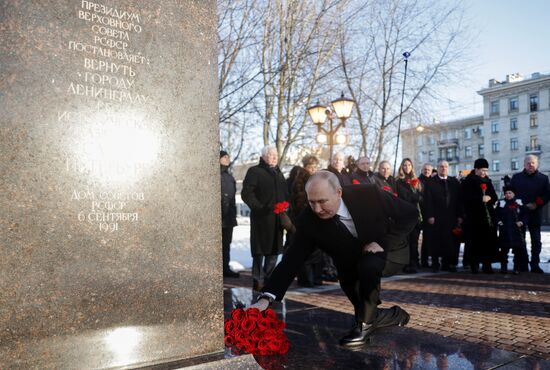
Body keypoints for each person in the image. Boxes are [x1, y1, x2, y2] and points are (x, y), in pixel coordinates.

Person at [252, 171, 417, 346]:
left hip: (389, 250)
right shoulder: (309, 220)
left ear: (338, 192)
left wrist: (383, 243)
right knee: (363, 308)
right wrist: (266, 298)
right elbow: (292, 259)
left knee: (369, 266)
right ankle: (393, 315)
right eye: (312, 202)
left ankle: (364, 328)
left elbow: (410, 213)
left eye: (322, 201)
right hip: (349, 265)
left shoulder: (368, 194)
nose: (317, 209)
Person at [242, 145, 289, 291]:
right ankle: (257, 280)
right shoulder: (255, 171)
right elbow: (247, 194)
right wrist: (260, 207)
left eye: (275, 155)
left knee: (274, 251)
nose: (274, 157)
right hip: (261, 219)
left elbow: (285, 193)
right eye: (270, 155)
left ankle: (269, 280)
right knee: (259, 251)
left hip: (277, 219)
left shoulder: (279, 173)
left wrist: (286, 205)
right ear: (263, 157)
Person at [510, 155, 550, 273]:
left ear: (537, 164)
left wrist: (537, 203)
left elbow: (547, 194)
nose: (530, 165)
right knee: (520, 240)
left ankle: (535, 264)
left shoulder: (543, 178)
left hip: (535, 212)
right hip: (520, 213)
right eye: (528, 163)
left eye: (533, 163)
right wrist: (518, 205)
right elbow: (511, 193)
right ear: (524, 164)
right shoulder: (516, 178)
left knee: (536, 240)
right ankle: (522, 263)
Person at [289, 155, 323, 287]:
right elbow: (299, 202)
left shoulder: (318, 179)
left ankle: (316, 278)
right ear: (306, 167)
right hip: (305, 217)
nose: (313, 169)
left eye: (315, 166)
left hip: (318, 216)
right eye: (311, 167)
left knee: (318, 250)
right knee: (307, 250)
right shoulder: (300, 180)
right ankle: (307, 279)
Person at [461, 158, 498, 273]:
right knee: (474, 241)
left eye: (486, 170)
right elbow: (465, 198)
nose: (484, 173)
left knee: (488, 240)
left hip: (488, 217)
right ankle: (474, 264)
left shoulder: (488, 181)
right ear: (476, 169)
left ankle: (487, 264)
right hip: (474, 217)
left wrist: (490, 198)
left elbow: (495, 196)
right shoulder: (469, 181)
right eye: (482, 170)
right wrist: (480, 199)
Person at [423, 160, 462, 272]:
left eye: (445, 166)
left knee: (449, 241)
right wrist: (430, 215)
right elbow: (428, 200)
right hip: (436, 216)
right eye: (441, 166)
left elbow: (459, 200)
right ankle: (435, 263)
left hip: (451, 217)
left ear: (448, 168)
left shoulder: (454, 182)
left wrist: (460, 215)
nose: (443, 168)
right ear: (438, 168)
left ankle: (446, 263)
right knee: (436, 241)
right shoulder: (431, 182)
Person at [396, 158, 423, 273]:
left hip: (416, 216)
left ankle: (415, 262)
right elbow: (404, 197)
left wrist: (417, 197)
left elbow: (422, 196)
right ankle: (406, 264)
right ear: (402, 167)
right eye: (405, 165)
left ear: (412, 166)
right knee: (406, 241)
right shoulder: (399, 181)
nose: (407, 167)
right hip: (406, 215)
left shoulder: (416, 181)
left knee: (414, 241)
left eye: (409, 165)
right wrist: (415, 197)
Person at [495, 185, 529, 274]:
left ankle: (516, 267)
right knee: (504, 250)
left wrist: (521, 222)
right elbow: (496, 214)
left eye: (510, 193)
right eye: (506, 193)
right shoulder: (501, 203)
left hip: (516, 231)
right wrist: (499, 222)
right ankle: (504, 267)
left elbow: (525, 215)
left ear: (514, 194)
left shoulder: (519, 203)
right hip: (505, 230)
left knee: (517, 250)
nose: (508, 195)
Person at [220, 150, 240, 278]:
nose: (227, 159)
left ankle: (225, 268)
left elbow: (232, 199)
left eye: (228, 157)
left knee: (226, 244)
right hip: (218, 216)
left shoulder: (229, 176)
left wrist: (232, 214)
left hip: (228, 217)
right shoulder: (213, 175)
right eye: (224, 157)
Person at [418, 163, 433, 268]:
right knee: (415, 239)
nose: (426, 171)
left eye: (428, 170)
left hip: (430, 214)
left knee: (428, 239)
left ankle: (425, 260)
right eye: (425, 169)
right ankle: (416, 260)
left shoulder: (433, 181)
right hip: (419, 213)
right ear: (421, 170)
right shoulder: (418, 181)